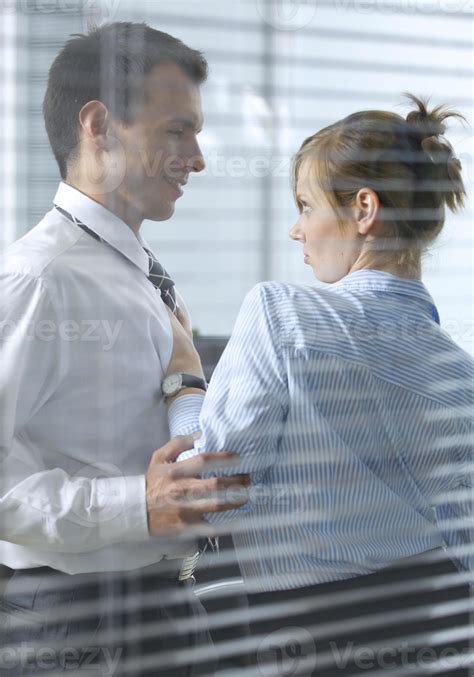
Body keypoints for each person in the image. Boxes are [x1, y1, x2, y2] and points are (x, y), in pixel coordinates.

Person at [166, 95, 473, 674]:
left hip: (313, 640)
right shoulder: (460, 372)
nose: (295, 229)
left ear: (364, 209)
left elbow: (214, 492)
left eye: (306, 206)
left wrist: (185, 386)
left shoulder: (280, 314)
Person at [0, 22, 249, 677]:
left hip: (164, 606)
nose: (197, 158)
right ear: (99, 124)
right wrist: (136, 504)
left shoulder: (137, 274)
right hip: (78, 621)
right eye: (177, 130)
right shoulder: (39, 278)